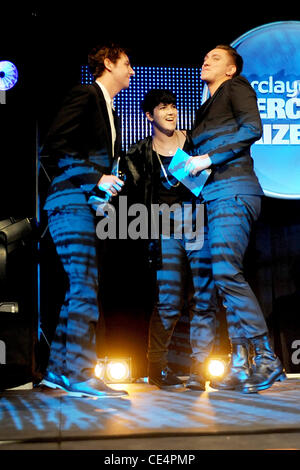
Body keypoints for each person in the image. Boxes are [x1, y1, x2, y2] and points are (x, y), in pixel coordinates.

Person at [185, 44, 285, 393]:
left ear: (231, 69)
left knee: (227, 272)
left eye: (215, 57)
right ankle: (241, 362)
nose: (205, 59)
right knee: (223, 278)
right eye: (205, 55)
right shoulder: (206, 106)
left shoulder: (236, 87)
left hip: (235, 190)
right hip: (212, 196)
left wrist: (209, 157)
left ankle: (267, 358)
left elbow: (252, 128)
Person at [39, 43, 135, 398]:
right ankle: (80, 373)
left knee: (80, 287)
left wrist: (101, 191)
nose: (132, 71)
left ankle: (57, 371)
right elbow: (54, 146)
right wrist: (95, 178)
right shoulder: (85, 94)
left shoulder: (112, 112)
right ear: (108, 64)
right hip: (67, 202)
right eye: (127, 64)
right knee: (83, 288)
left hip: (84, 205)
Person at [123, 89, 217, 390]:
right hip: (164, 229)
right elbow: (122, 191)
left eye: (174, 106)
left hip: (197, 223)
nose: (171, 111)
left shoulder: (193, 143)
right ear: (149, 115)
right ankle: (157, 367)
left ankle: (202, 369)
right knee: (168, 301)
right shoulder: (139, 152)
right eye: (163, 107)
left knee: (202, 297)